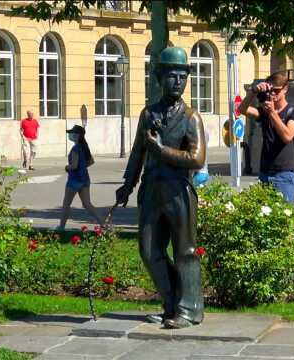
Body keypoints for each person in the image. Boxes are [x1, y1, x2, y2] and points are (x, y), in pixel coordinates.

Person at [115, 47, 206, 329]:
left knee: (185, 251)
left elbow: (196, 158)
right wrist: (127, 184)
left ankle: (189, 310)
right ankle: (171, 302)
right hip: (152, 190)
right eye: (171, 75)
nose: (177, 81)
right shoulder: (148, 114)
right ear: (159, 78)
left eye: (183, 76)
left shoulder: (192, 117)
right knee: (149, 250)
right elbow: (137, 153)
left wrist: (161, 149)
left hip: (179, 191)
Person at [238, 72, 294, 202]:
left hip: (284, 173)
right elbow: (242, 109)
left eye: (276, 91)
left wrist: (273, 113)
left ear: (285, 88)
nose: (272, 94)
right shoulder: (264, 111)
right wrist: (253, 91)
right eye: (270, 90)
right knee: (265, 218)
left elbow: (287, 136)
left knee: (283, 217)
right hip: (265, 171)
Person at [57, 125, 104, 230]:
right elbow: (91, 161)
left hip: (74, 180)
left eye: (72, 133)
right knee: (88, 205)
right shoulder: (84, 147)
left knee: (66, 205)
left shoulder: (75, 149)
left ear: (77, 135)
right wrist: (83, 167)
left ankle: (61, 227)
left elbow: (74, 165)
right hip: (85, 179)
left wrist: (66, 167)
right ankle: (104, 224)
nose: (70, 135)